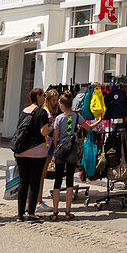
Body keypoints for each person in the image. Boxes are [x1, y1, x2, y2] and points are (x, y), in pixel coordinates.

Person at [15, 87, 53, 222]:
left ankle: (20, 214)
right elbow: (43, 132)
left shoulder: (24, 111)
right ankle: (31, 213)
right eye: (43, 96)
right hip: (37, 151)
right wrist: (51, 127)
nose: (44, 98)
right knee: (35, 182)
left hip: (21, 151)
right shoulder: (42, 112)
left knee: (23, 182)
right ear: (38, 97)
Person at [51, 91, 83, 221]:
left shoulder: (58, 118)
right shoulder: (76, 116)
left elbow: (55, 137)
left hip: (60, 150)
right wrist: (97, 123)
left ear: (63, 105)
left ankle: (55, 212)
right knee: (70, 179)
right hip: (72, 149)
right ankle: (68, 211)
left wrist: (55, 150)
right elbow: (87, 127)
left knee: (57, 180)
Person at [36, 87, 61, 212]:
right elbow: (45, 131)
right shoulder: (45, 112)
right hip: (45, 145)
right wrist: (53, 125)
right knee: (41, 173)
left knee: (43, 173)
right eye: (53, 100)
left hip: (48, 145)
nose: (55, 102)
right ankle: (38, 201)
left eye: (56, 100)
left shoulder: (50, 111)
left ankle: (37, 200)